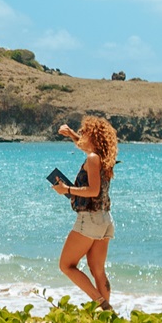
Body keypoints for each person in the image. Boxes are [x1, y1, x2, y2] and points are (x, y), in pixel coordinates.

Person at [48, 115, 118, 306]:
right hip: (105, 218)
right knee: (98, 269)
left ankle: (102, 303)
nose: (81, 134)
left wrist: (67, 190)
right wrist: (71, 134)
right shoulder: (103, 157)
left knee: (66, 265)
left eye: (84, 131)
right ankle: (107, 317)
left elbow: (93, 191)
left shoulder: (93, 158)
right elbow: (86, 148)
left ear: (93, 135)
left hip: (90, 219)